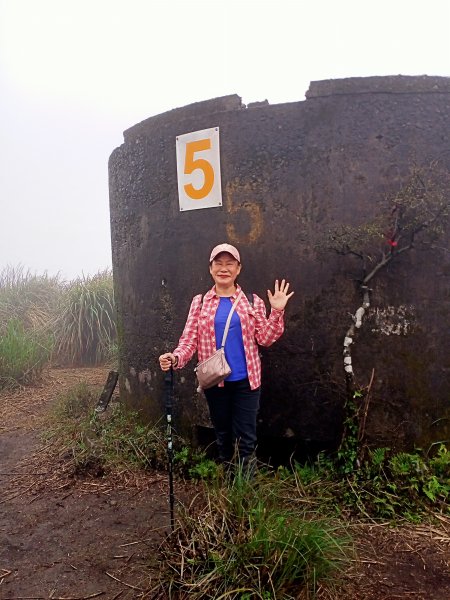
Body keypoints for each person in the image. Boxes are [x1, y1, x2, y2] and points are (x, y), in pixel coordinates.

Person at [159, 243, 294, 469]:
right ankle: (229, 481)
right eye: (218, 264)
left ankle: (243, 490)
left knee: (246, 439)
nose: (224, 268)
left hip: (247, 382)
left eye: (229, 264)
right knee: (222, 434)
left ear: (238, 269)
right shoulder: (200, 302)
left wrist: (277, 311)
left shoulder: (253, 302)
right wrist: (175, 358)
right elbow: (189, 340)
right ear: (211, 269)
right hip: (215, 382)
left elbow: (266, 338)